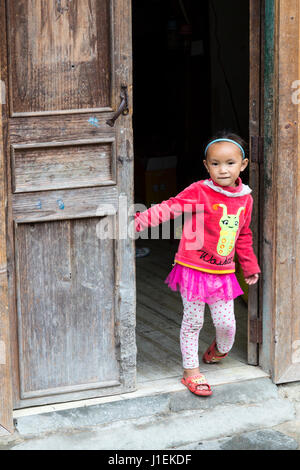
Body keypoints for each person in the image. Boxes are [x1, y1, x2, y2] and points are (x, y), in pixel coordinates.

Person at [134, 131, 260, 397]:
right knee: (193, 323)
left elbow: (244, 234)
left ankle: (218, 351)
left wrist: (248, 266)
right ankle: (191, 371)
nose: (222, 170)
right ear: (206, 165)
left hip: (223, 273)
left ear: (243, 165)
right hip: (193, 269)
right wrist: (141, 220)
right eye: (215, 164)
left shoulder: (245, 199)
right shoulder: (200, 191)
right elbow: (171, 207)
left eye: (229, 163)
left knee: (227, 325)